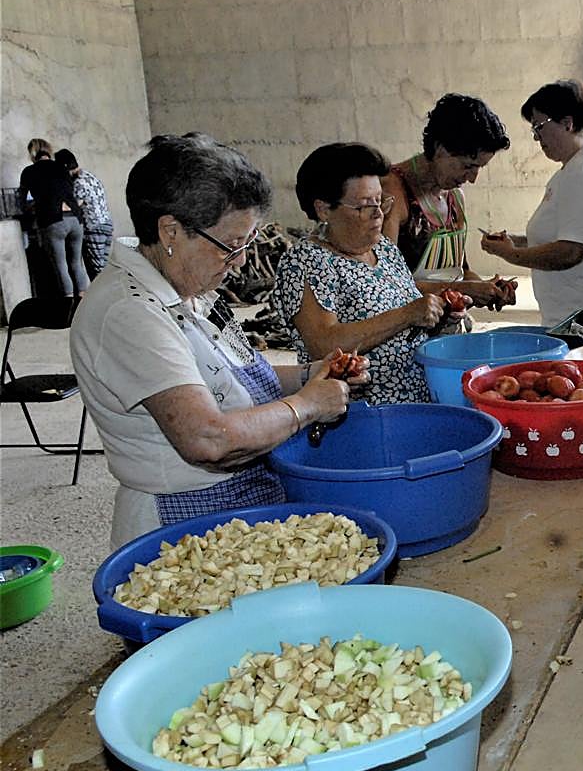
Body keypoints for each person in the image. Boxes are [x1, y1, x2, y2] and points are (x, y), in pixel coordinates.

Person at [70, 133, 364, 549]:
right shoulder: (129, 313)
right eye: (232, 245)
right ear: (171, 231)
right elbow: (209, 439)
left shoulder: (186, 284)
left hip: (243, 493)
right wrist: (308, 405)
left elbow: (228, 377)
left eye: (248, 243)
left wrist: (307, 375)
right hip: (185, 518)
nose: (242, 260)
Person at [274, 142, 467, 406]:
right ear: (323, 209)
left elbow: (409, 330)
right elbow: (322, 344)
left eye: (380, 201)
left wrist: (440, 318)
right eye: (365, 206)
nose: (378, 214)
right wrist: (407, 314)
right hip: (362, 415)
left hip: (417, 404)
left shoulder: (385, 250)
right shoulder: (306, 261)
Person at [480, 80, 583, 326]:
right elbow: (556, 238)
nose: (536, 137)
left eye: (540, 127)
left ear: (568, 123)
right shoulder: (569, 172)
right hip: (566, 312)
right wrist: (513, 242)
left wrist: (511, 254)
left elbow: (569, 252)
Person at [381, 93, 513, 316]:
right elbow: (385, 283)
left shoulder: (455, 196)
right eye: (468, 166)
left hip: (448, 328)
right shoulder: (392, 192)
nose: (472, 178)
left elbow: (460, 272)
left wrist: (487, 289)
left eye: (479, 168)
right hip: (403, 333)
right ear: (441, 149)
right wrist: (460, 288)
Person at [17, 138, 88, 297]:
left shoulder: (29, 172)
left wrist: (32, 207)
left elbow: (21, 200)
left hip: (54, 219)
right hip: (76, 219)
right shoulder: (61, 167)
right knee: (77, 263)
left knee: (61, 266)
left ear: (33, 154)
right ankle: (85, 303)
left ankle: (69, 307)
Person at [54, 148, 114, 278]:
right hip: (106, 223)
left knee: (98, 269)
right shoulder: (90, 176)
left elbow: (74, 206)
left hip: (94, 227)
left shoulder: (78, 182)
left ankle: (102, 296)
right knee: (106, 266)